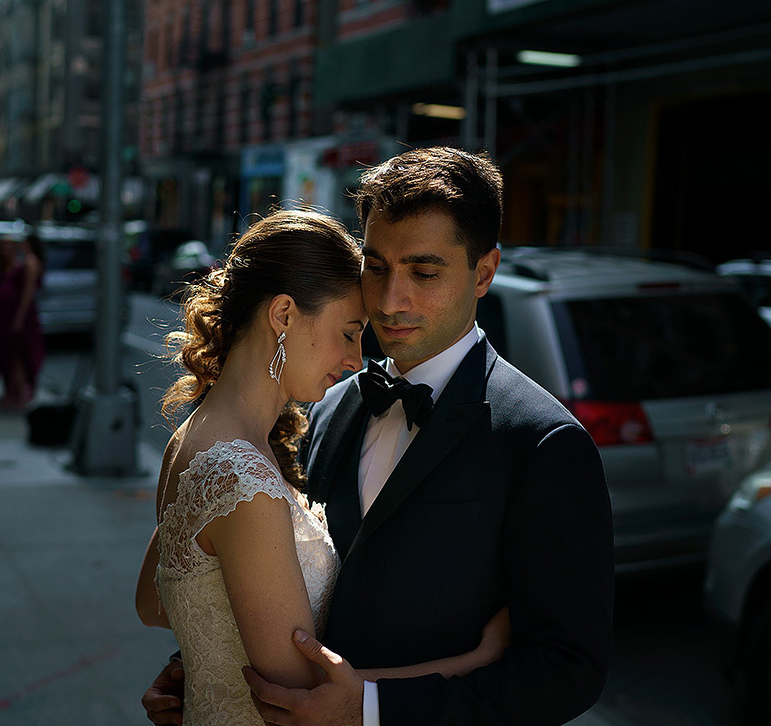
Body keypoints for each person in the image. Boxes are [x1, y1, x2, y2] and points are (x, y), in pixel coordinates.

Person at [142, 147, 615, 726]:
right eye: (375, 266)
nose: (391, 301)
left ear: (484, 272)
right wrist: (202, 665)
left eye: (424, 273)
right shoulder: (327, 406)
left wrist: (373, 709)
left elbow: (569, 669)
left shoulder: (542, 442)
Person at [134, 209, 514, 726]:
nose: (359, 359)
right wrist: (476, 660)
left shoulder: (193, 439)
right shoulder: (244, 483)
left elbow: (156, 602)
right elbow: (304, 694)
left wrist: (208, 667)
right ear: (284, 315)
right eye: (349, 332)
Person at [0, 237, 44, 408]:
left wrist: (19, 318)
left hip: (20, 317)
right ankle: (13, 392)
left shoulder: (28, 263)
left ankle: (19, 393)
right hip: (6, 316)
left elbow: (28, 292)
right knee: (10, 356)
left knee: (19, 356)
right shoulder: (7, 265)